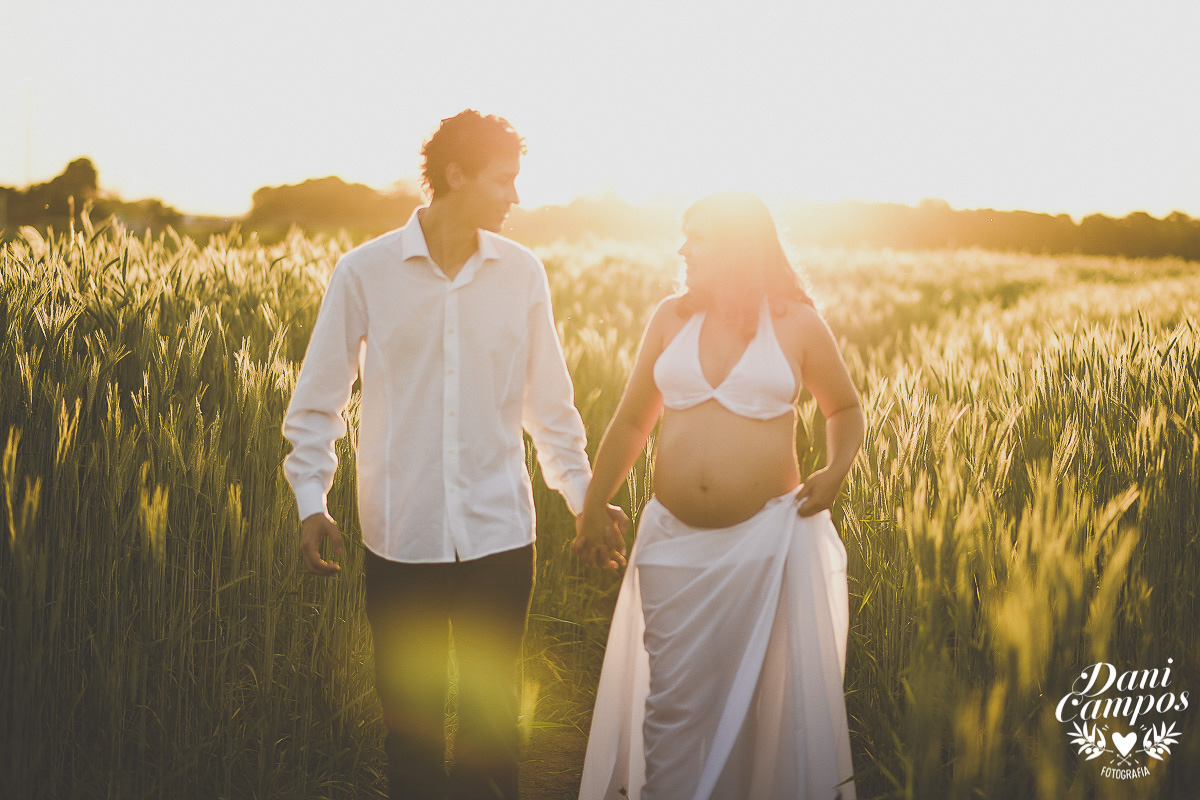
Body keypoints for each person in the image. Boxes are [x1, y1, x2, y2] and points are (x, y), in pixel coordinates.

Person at [281, 110, 627, 800]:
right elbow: (318, 400)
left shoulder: (522, 274)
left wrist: (583, 500)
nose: (516, 197)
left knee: (491, 728)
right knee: (408, 731)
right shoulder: (364, 272)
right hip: (398, 536)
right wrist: (310, 501)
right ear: (455, 174)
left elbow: (549, 407)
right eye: (505, 180)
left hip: (500, 535)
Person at [572, 191, 863, 800]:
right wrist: (594, 504)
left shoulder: (796, 323)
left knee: (757, 700)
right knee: (673, 701)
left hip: (764, 541)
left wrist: (836, 469)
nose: (683, 248)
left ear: (738, 244)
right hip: (670, 541)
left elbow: (843, 406)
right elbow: (630, 422)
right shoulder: (670, 319)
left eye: (697, 236)